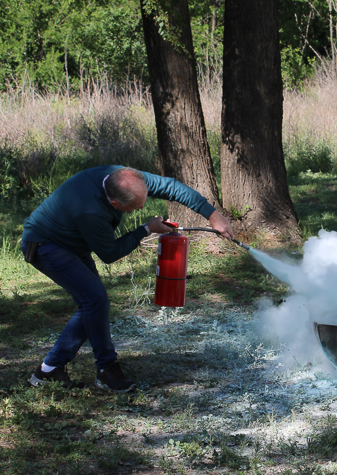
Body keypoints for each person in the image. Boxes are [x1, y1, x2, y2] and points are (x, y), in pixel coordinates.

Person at [20, 165, 233, 392]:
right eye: (135, 207)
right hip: (47, 245)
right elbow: (110, 253)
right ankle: (105, 368)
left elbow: (172, 187)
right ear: (114, 203)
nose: (142, 207)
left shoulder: (126, 178)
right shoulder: (90, 211)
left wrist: (213, 215)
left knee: (92, 303)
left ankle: (51, 369)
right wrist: (145, 229)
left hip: (74, 241)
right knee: (94, 300)